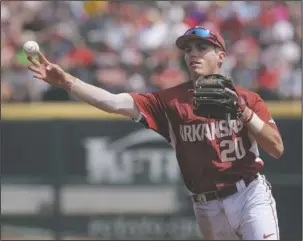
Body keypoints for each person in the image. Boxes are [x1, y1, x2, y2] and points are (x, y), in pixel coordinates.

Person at [27, 26, 284, 240]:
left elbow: (276, 148)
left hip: (249, 195)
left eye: (202, 47)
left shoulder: (248, 99)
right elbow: (114, 102)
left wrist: (244, 113)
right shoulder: (169, 101)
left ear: (221, 56)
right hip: (206, 205)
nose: (193, 54)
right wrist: (67, 82)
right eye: (188, 49)